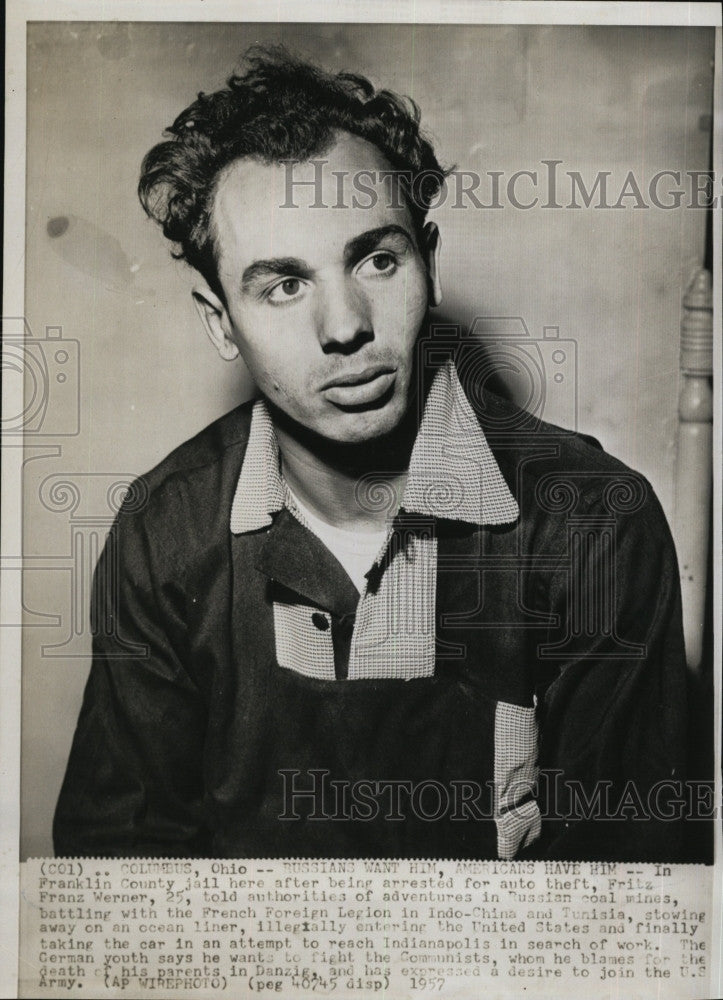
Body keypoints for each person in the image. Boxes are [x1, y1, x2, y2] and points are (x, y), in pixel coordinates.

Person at [54, 45, 689, 861]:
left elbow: (627, 904)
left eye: (376, 259)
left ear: (428, 258)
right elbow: (119, 874)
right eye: (283, 284)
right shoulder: (161, 533)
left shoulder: (595, 526)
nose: (345, 326)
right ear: (219, 321)